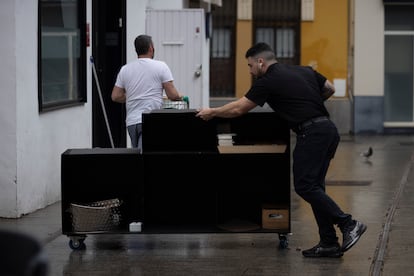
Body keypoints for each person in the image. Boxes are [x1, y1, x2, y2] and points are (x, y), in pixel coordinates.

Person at [196, 42, 366, 258]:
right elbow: (330, 88)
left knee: (305, 186)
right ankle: (329, 242)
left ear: (260, 62)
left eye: (250, 66)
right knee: (315, 188)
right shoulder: (303, 70)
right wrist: (307, 104)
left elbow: (240, 108)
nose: (250, 71)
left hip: (311, 134)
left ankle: (348, 223)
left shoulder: (267, 81)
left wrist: (213, 111)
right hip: (328, 129)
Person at [112, 34, 184, 151]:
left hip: (132, 122)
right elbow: (172, 94)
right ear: (151, 48)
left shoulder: (125, 69)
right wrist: (180, 95)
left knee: (137, 152)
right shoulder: (161, 66)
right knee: (145, 155)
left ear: (136, 50)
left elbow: (115, 96)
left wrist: (132, 95)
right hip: (149, 119)